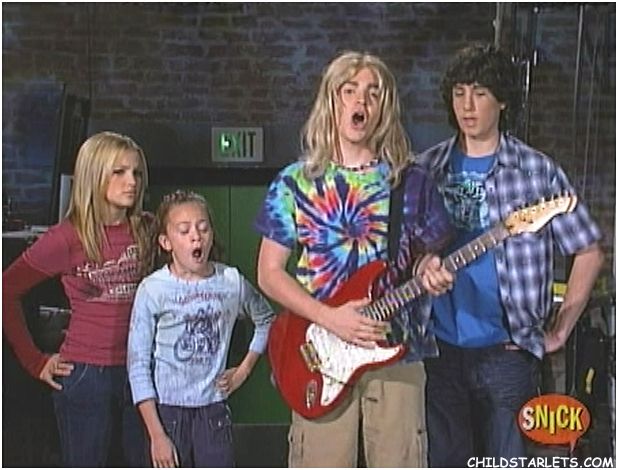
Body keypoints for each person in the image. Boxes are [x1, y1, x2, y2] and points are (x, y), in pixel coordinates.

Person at [254, 50, 453, 467]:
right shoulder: (295, 182)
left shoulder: (411, 180)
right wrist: (329, 318)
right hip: (319, 352)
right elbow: (269, 273)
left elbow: (422, 259)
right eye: (350, 90)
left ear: (384, 108)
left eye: (373, 93)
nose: (361, 101)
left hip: (397, 350)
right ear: (332, 100)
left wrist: (429, 269)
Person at [416, 43, 605, 466]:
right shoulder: (427, 169)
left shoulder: (537, 171)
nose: (467, 105)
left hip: (509, 351)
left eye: (480, 93)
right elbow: (404, 251)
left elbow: (588, 250)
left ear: (502, 100)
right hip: (439, 350)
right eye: (459, 93)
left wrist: (561, 328)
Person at [2, 131, 153, 467]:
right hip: (87, 374)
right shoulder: (66, 238)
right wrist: (35, 361)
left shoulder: (148, 229)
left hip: (141, 370)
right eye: (119, 172)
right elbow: (6, 291)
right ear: (93, 175)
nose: (132, 181)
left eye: (137, 173)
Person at [127, 189, 275, 468]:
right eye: (184, 231)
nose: (196, 237)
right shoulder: (153, 289)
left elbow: (266, 319)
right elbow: (137, 365)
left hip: (213, 413)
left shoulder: (230, 281)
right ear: (166, 242)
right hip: (167, 414)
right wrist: (156, 435)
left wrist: (243, 371)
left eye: (203, 228)